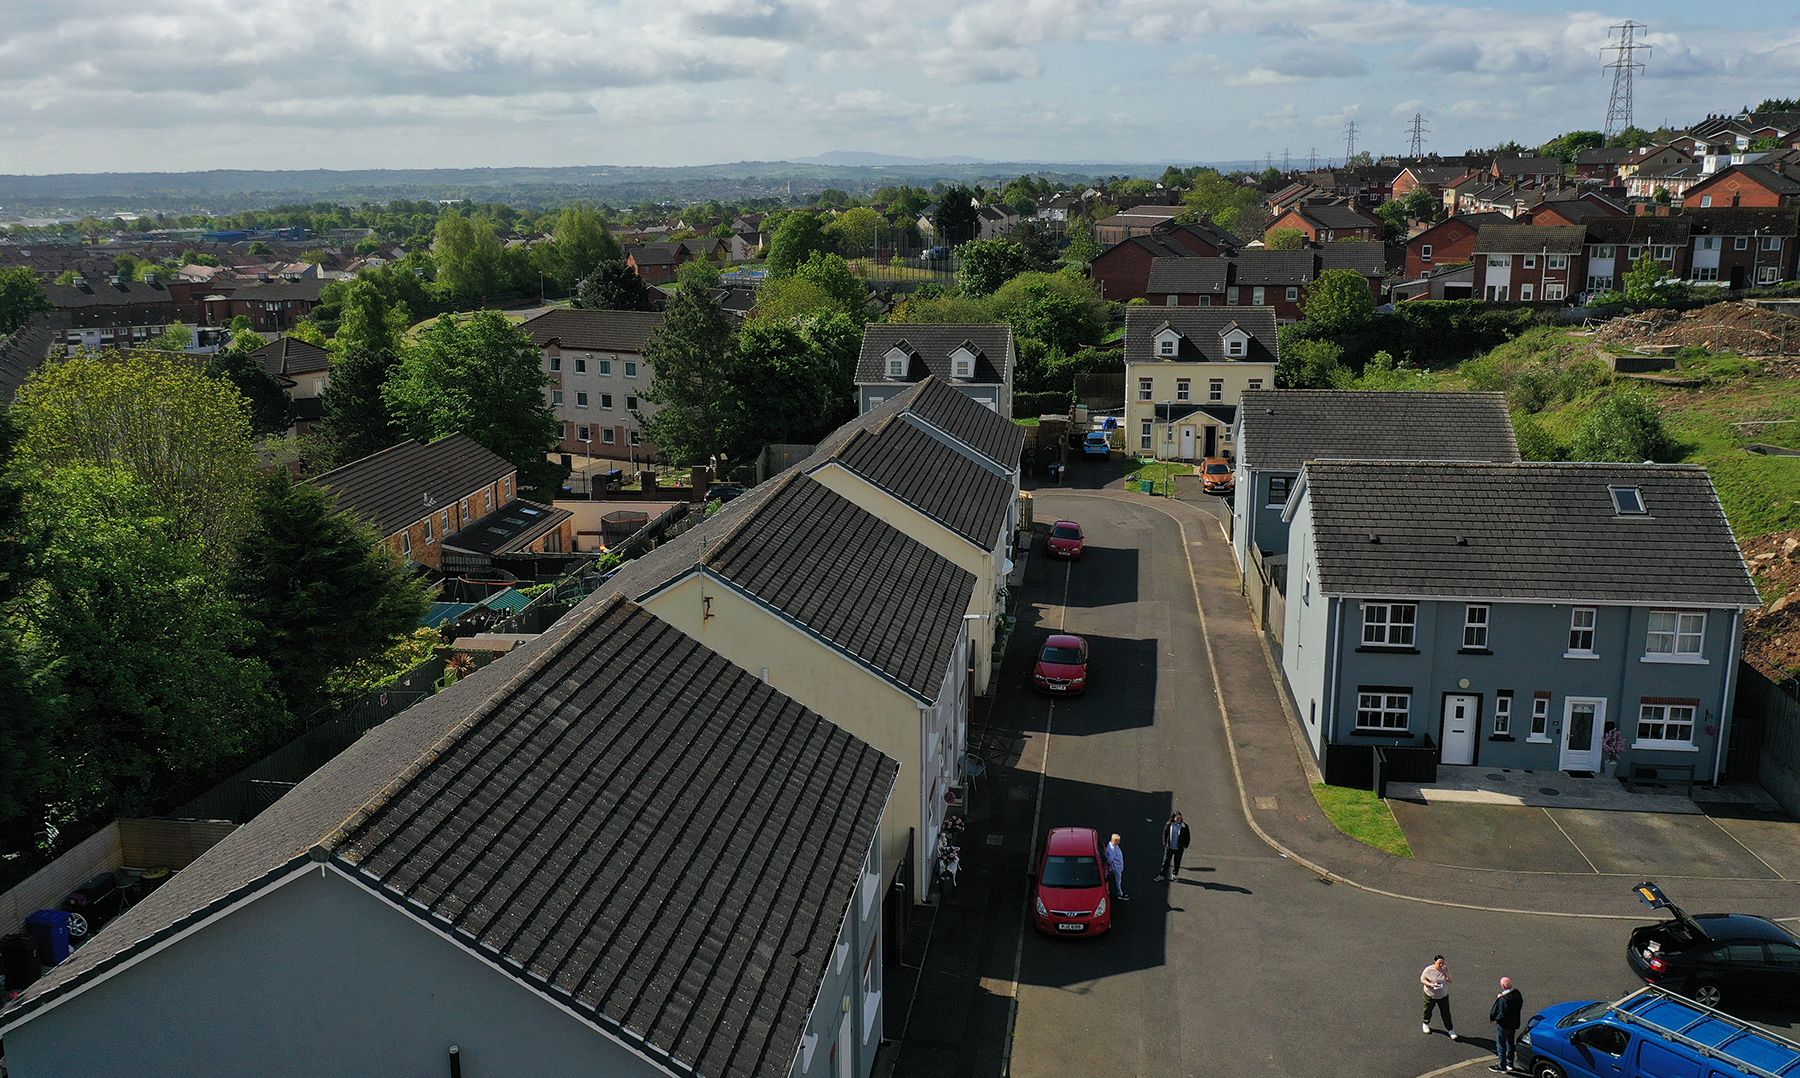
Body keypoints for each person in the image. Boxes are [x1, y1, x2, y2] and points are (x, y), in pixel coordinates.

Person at [1489, 977, 1522, 1073]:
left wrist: (1496, 1018)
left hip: (1503, 1026)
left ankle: (1502, 1066)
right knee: (1510, 1043)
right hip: (1513, 1023)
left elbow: (1501, 1015)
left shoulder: (1503, 999)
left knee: (1501, 1045)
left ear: (1503, 986)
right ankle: (1510, 1063)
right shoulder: (1517, 994)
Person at [1420, 955, 1455, 1039]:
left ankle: (1450, 1029)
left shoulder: (1445, 969)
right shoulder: (1428, 970)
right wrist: (1431, 984)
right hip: (1430, 995)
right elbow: (1422, 979)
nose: (1441, 964)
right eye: (1440, 963)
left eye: (1443, 963)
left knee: (1446, 1013)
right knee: (1428, 1009)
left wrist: (1447, 972)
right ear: (1434, 962)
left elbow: (1450, 980)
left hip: (1443, 995)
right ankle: (1425, 1023)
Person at [1153, 812, 1191, 881]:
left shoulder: (1184, 826)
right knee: (1166, 862)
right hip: (1169, 848)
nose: (1178, 819)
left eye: (1180, 817)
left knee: (1177, 862)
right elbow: (1165, 833)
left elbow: (1187, 837)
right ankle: (1162, 875)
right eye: (1177, 817)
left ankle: (1175, 875)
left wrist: (1185, 845)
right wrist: (1165, 843)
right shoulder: (1169, 824)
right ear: (1174, 818)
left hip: (1179, 848)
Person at [1105, 833, 1128, 901]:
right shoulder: (1112, 849)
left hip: (1116, 866)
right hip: (1117, 867)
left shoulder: (1111, 845)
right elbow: (1110, 859)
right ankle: (1120, 894)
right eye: (1117, 841)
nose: (1118, 843)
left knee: (1115, 877)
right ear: (1114, 841)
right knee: (1118, 881)